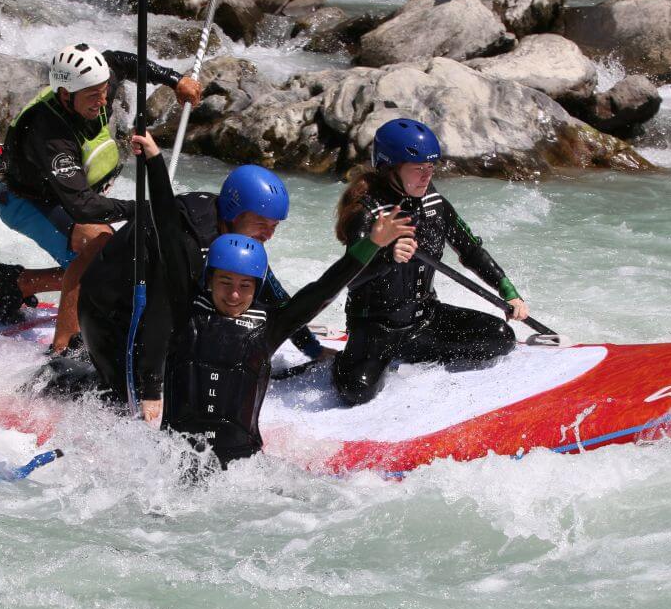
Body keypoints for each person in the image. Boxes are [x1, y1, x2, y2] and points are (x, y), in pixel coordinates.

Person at [131, 132, 415, 470]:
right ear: (209, 279)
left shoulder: (268, 327)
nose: (234, 294)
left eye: (244, 286)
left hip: (242, 471)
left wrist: (371, 243)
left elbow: (324, 288)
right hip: (174, 465)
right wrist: (153, 160)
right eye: (225, 283)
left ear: (257, 288)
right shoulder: (185, 311)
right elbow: (167, 230)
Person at [60, 160, 331, 424]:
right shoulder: (191, 240)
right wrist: (152, 389)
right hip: (111, 311)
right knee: (128, 409)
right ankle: (59, 378)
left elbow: (274, 293)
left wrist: (312, 349)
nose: (268, 235)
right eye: (262, 224)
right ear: (234, 213)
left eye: (274, 227)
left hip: (151, 308)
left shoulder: (236, 235)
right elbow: (161, 311)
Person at [0, 43, 202, 355]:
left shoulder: (92, 87)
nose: (103, 101)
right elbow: (83, 207)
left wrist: (173, 79)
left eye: (104, 91)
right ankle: (63, 348)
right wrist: (144, 208)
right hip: (25, 201)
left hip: (63, 194)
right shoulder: (50, 135)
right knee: (96, 244)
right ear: (65, 95)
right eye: (93, 96)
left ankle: (20, 283)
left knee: (114, 258)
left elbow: (120, 62)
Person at [331, 117, 532, 406]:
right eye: (418, 169)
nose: (427, 176)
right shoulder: (367, 212)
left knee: (500, 337)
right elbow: (348, 277)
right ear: (390, 168)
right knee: (355, 391)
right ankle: (345, 360)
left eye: (431, 168)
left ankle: (413, 354)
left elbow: (471, 250)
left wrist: (509, 292)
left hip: (425, 319)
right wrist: (386, 256)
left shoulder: (433, 203)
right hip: (377, 328)